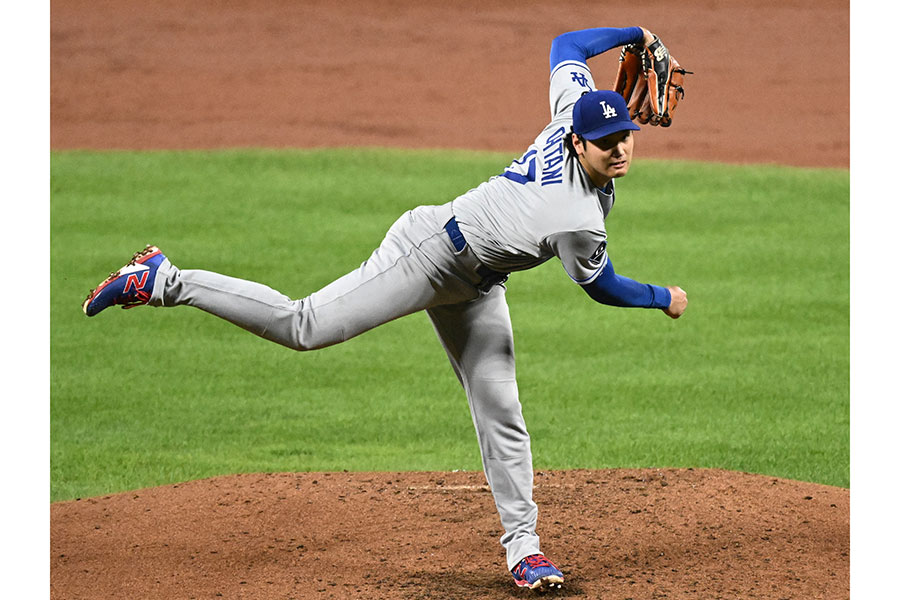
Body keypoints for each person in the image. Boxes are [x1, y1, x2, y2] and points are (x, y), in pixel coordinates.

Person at [82, 25, 688, 592]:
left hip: (479, 284)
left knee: (500, 405)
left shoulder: (568, 113)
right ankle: (163, 279)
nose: (620, 150)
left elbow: (567, 46)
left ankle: (525, 550)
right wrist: (664, 297)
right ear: (578, 140)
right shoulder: (574, 217)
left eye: (625, 137)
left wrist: (631, 34)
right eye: (607, 143)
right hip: (429, 253)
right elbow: (602, 285)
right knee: (306, 326)